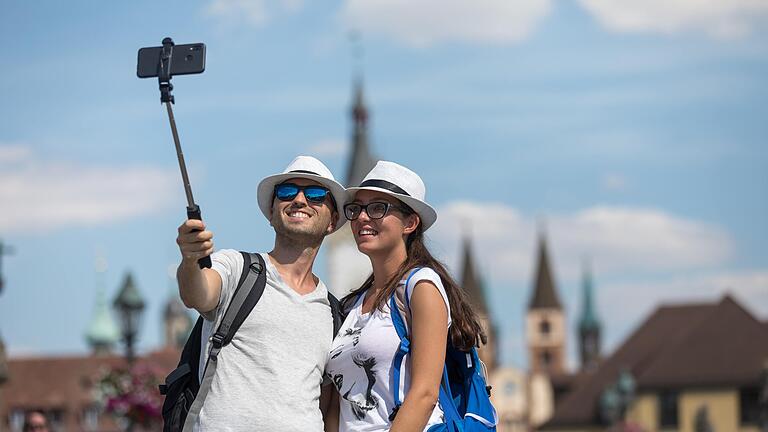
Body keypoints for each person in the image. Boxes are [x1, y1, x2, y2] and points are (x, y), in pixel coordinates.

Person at [176, 155, 346, 431]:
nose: (300, 200)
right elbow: (198, 294)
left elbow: (328, 408)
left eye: (315, 194)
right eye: (287, 192)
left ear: (332, 221)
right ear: (271, 212)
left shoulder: (334, 313)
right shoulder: (237, 268)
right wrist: (190, 259)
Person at [324, 161, 486, 431]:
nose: (363, 217)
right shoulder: (351, 305)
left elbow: (424, 394)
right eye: (357, 209)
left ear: (410, 223)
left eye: (378, 208)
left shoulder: (420, 286)